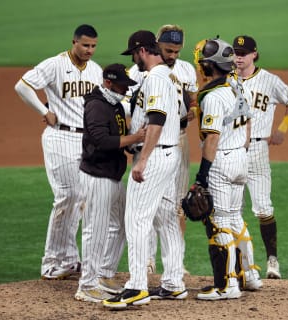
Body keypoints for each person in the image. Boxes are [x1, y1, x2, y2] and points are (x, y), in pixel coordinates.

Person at [103, 30, 186, 309]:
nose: (134, 61)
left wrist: (143, 159)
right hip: (169, 154)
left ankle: (137, 286)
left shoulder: (156, 78)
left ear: (141, 50)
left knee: (136, 219)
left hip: (156, 156)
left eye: (134, 55)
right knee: (166, 219)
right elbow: (180, 115)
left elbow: (157, 118)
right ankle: (174, 283)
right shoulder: (170, 77)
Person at [14, 24, 102, 280]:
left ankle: (69, 259)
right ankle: (51, 261)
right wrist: (45, 111)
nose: (89, 50)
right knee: (67, 197)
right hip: (60, 137)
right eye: (85, 45)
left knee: (81, 199)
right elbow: (22, 86)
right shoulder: (54, 64)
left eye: (94, 46)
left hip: (85, 140)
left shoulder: (95, 71)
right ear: (74, 42)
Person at [192, 37, 262, 301]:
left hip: (221, 160)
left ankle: (226, 285)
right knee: (234, 218)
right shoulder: (238, 86)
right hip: (240, 158)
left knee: (219, 223)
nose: (199, 67)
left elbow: (211, 138)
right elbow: (246, 130)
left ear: (210, 66)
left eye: (202, 63)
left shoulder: (213, 96)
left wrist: (202, 176)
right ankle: (250, 275)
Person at [130, 24, 198, 275]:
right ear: (156, 46)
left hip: (178, 138)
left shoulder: (185, 70)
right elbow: (130, 108)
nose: (173, 56)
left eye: (177, 51)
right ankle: (148, 260)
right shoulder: (139, 72)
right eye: (169, 50)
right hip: (150, 140)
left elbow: (193, 98)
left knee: (176, 205)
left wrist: (193, 109)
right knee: (147, 203)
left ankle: (175, 264)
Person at [74, 64, 146, 302]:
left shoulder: (112, 104)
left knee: (123, 223)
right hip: (97, 176)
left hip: (112, 175)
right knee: (95, 229)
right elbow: (101, 140)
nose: (125, 90)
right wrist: (134, 137)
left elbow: (116, 137)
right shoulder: (96, 105)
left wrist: (132, 143)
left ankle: (103, 274)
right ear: (107, 83)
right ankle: (86, 285)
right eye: (122, 86)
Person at [232, 35, 288, 279]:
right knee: (233, 211)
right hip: (231, 151)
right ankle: (239, 263)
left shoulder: (270, 81)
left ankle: (272, 261)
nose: (239, 57)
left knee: (263, 208)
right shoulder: (226, 80)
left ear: (254, 54)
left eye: (244, 52)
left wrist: (283, 128)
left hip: (259, 150)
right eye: (236, 52)